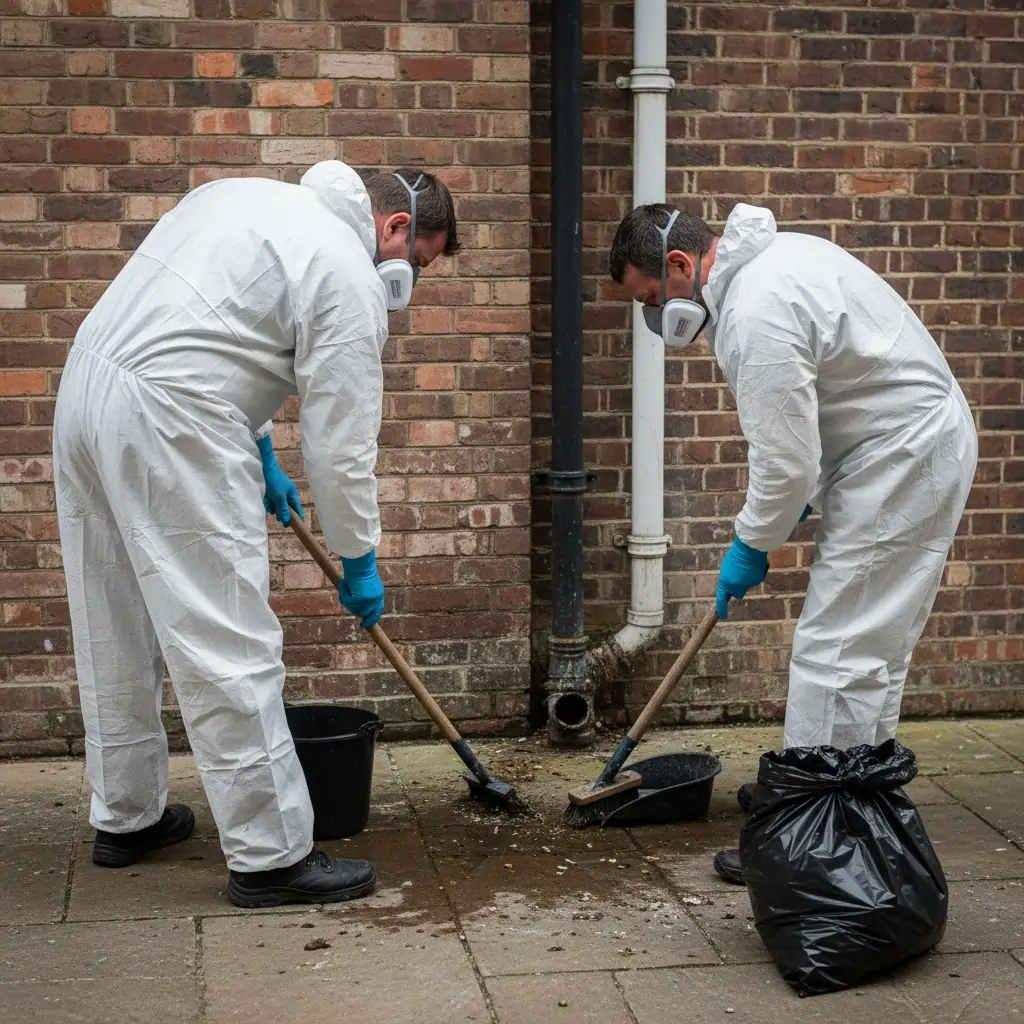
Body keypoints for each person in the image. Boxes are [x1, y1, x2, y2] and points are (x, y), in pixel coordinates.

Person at [53, 161, 459, 907]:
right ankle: (270, 857)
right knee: (227, 633)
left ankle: (126, 816)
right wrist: (359, 557)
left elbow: (218, 322)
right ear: (396, 227)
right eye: (419, 264)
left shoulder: (245, 199)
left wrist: (263, 446)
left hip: (86, 392)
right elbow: (342, 449)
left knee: (111, 617)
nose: (408, 282)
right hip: (174, 417)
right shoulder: (347, 269)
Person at [608, 201, 977, 883]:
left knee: (836, 649)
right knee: (865, 648)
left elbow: (784, 463)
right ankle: (840, 806)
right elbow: (826, 403)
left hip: (903, 458)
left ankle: (809, 841)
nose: (656, 316)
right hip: (898, 450)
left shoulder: (756, 307)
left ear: (681, 264)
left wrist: (751, 543)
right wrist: (799, 492)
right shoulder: (773, 265)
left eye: (652, 298)